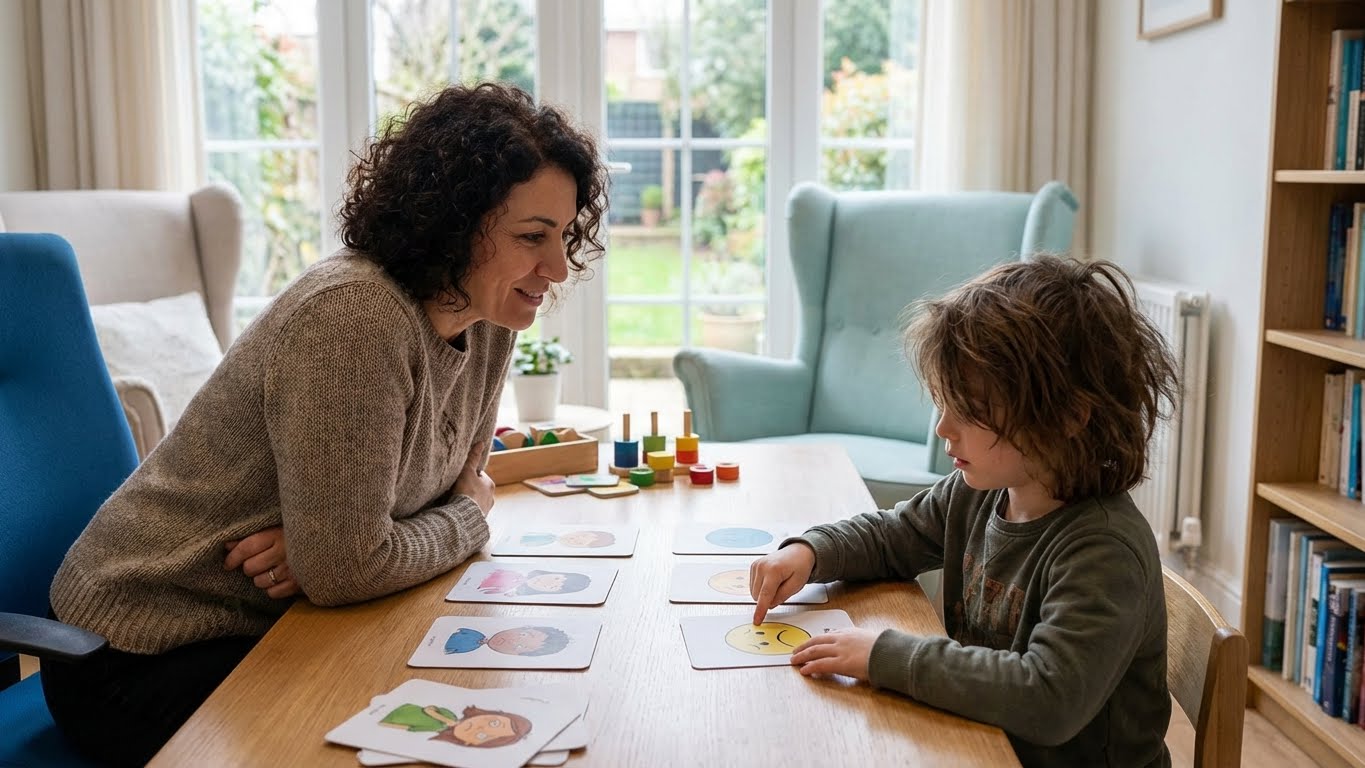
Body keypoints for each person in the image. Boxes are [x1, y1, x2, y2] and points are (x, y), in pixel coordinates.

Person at [41, 81, 608, 767]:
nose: (555, 268)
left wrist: (332, 546)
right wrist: (446, 522)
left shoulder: (487, 317)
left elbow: (409, 509)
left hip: (278, 619)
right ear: (454, 225)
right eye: (531, 238)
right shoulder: (353, 317)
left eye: (563, 235)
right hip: (140, 652)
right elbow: (394, 539)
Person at [748, 256, 1180, 768]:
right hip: (982, 742)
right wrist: (811, 551)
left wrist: (884, 655)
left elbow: (1047, 698)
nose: (943, 429)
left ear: (1066, 417)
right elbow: (894, 536)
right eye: (942, 403)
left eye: (969, 411)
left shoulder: (1103, 551)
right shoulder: (978, 491)